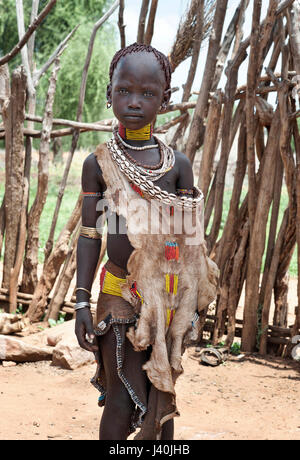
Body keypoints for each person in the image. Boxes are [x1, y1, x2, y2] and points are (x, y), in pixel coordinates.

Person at [75, 43, 218, 441]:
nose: (134, 102)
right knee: (121, 402)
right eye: (124, 91)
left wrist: (190, 309)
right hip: (118, 293)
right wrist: (82, 300)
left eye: (147, 93)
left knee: (161, 403)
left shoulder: (178, 167)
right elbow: (90, 235)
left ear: (165, 99)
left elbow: (191, 248)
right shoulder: (99, 165)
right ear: (109, 93)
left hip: (168, 302)